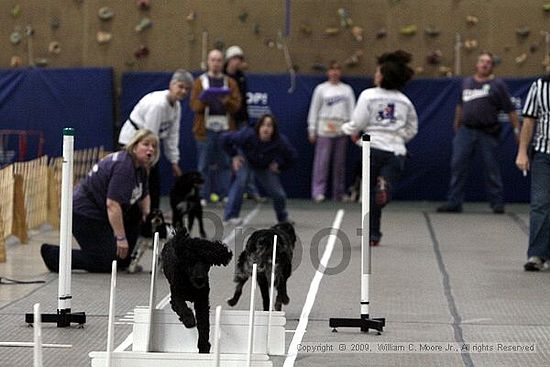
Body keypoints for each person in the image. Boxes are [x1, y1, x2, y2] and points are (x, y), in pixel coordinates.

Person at [41, 129, 160, 273]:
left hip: (100, 212)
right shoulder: (124, 167)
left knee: (135, 213)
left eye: (154, 146)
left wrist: (147, 215)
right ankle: (54, 255)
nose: (150, 149)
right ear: (134, 147)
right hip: (83, 213)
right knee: (105, 261)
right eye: (146, 144)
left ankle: (124, 258)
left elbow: (144, 194)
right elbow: (112, 204)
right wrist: (121, 238)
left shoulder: (141, 168)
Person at [341, 50, 418, 246]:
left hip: (372, 148)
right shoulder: (405, 101)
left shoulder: (368, 95)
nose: (375, 75)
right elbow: (412, 128)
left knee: (369, 194)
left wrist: (347, 129)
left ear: (383, 75)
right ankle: (385, 188)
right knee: (380, 193)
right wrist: (399, 138)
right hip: (395, 151)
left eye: (377, 72)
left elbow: (358, 122)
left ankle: (373, 235)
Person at [437, 52, 520, 214]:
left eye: (488, 62)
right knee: (458, 165)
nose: (484, 64)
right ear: (476, 64)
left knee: (491, 168)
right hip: (466, 130)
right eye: (482, 61)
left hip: (488, 132)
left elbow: (510, 110)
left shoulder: (498, 85)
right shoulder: (466, 83)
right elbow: (460, 105)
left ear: (492, 66)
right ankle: (454, 202)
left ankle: (497, 203)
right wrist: (457, 124)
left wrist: (517, 130)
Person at [118, 69, 194, 210]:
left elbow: (172, 135)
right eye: (180, 87)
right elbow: (149, 135)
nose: (183, 91)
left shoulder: (176, 106)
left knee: (153, 185)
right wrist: (147, 162)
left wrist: (174, 161)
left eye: (187, 89)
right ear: (172, 85)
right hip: (131, 143)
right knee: (137, 182)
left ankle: (152, 218)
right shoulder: (158, 105)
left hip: (148, 143)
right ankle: (139, 218)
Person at [222, 114, 298, 224]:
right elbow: (224, 139)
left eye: (269, 126)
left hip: (264, 165)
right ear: (258, 127)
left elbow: (292, 156)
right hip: (246, 160)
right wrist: (234, 156)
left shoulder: (280, 140)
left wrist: (279, 164)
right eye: (263, 125)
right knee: (241, 181)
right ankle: (230, 216)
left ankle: (282, 217)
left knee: (278, 194)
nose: (266, 128)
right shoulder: (247, 134)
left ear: (274, 129)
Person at [191, 49, 241, 206]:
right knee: (203, 164)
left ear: (223, 62)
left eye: (219, 60)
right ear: (208, 62)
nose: (216, 63)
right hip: (205, 129)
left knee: (225, 163)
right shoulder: (200, 82)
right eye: (213, 60)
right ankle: (203, 196)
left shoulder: (230, 83)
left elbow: (237, 106)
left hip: (225, 129)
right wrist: (206, 98)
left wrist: (227, 101)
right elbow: (194, 106)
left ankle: (224, 194)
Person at [307, 60, 356, 202]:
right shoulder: (321, 89)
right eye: (332, 69)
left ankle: (338, 193)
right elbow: (314, 109)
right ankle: (318, 192)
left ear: (340, 72)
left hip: (341, 128)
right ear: (328, 72)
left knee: (339, 164)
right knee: (321, 163)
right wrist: (312, 129)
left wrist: (353, 129)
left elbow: (352, 110)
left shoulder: (347, 90)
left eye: (337, 69)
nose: (334, 72)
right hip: (324, 128)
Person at [515, 73, 550, 271]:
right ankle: (537, 254)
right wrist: (522, 152)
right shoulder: (540, 85)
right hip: (544, 154)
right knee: (540, 203)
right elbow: (528, 121)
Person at [224, 45, 264, 203]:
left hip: (242, 121)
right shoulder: (223, 77)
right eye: (235, 59)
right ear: (229, 60)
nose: (237, 62)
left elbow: (242, 103)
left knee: (246, 156)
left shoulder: (241, 77)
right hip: (228, 122)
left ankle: (251, 191)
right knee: (230, 158)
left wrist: (245, 120)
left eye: (240, 59)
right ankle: (229, 193)